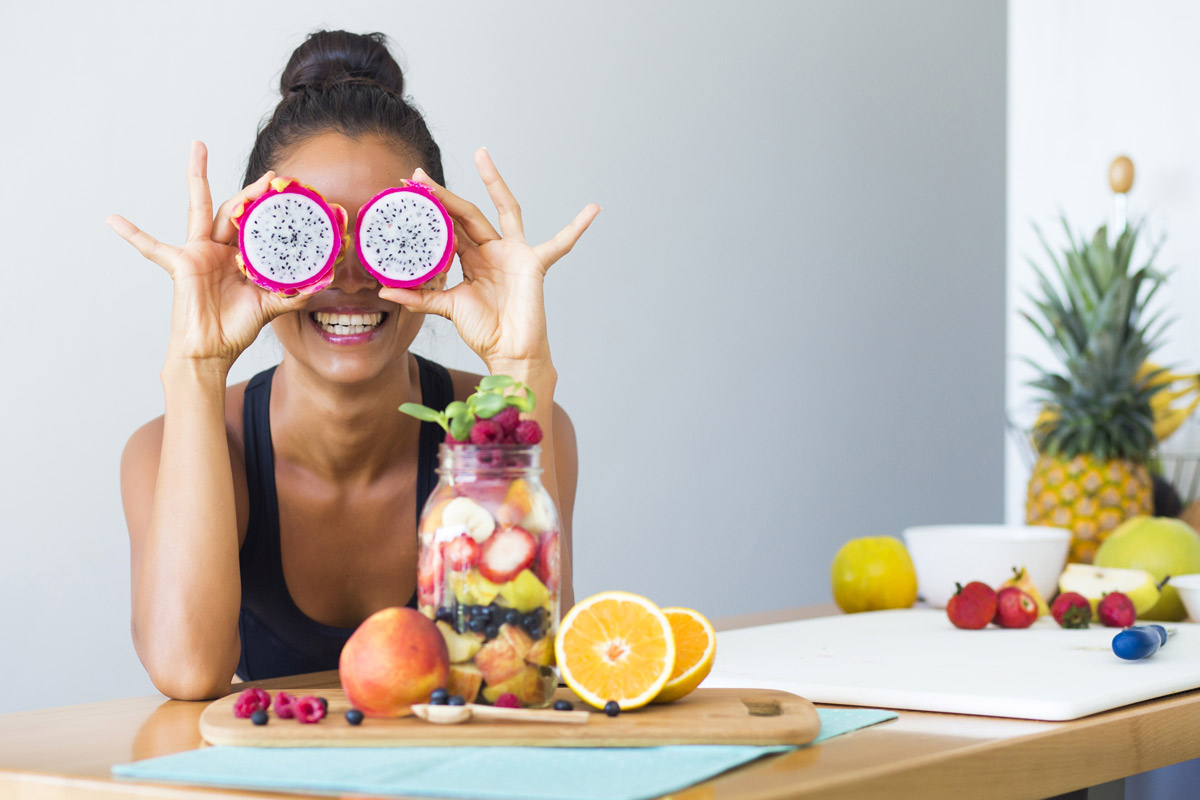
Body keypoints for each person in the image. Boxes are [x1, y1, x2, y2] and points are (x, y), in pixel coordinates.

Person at [107, 30, 598, 701]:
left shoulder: (512, 424)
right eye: (301, 237)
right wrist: (196, 366)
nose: (350, 276)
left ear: (446, 247)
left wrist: (520, 369)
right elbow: (187, 670)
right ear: (248, 252)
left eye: (393, 235)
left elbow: (512, 665)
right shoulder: (169, 449)